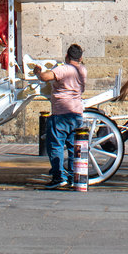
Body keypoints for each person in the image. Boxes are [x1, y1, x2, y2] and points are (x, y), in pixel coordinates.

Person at [37, 44, 87, 188]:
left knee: (55, 145)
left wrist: (38, 71)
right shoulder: (83, 70)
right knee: (72, 146)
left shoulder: (63, 69)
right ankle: (72, 176)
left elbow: (45, 77)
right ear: (80, 58)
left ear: (67, 56)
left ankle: (58, 177)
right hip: (76, 113)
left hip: (61, 113)